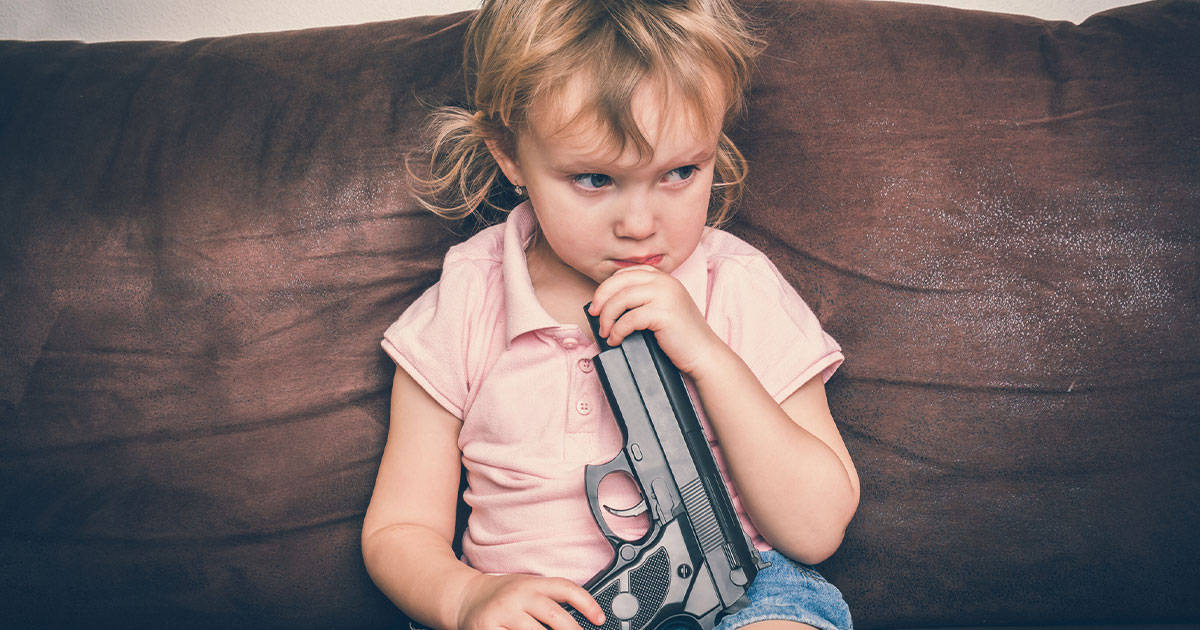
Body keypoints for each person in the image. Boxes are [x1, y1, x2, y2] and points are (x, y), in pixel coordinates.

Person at [361, 1, 860, 629]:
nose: (640, 224)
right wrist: (464, 600)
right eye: (595, 179)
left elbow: (815, 530)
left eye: (680, 172)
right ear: (510, 155)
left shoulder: (736, 286)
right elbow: (399, 529)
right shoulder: (466, 299)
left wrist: (707, 356)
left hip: (737, 595)